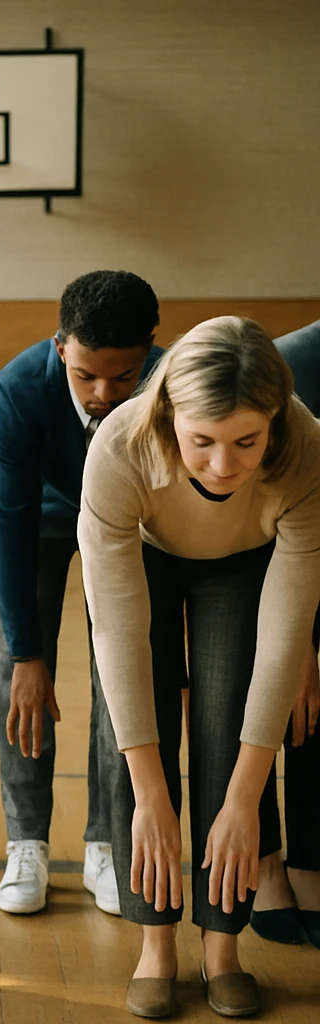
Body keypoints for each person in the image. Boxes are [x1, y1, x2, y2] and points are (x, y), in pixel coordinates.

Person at [78, 316, 320, 1018]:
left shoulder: (307, 449)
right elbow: (118, 633)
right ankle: (156, 946)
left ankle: (222, 950)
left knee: (227, 728)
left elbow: (283, 638)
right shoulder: (119, 450)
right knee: (135, 751)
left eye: (247, 441)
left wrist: (245, 797)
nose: (223, 464)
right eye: (203, 441)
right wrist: (151, 793)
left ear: (275, 423)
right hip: (146, 553)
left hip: (244, 559)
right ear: (169, 418)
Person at [0, 270, 162, 915]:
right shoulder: (17, 388)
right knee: (18, 676)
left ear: (150, 349)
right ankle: (25, 842)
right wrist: (28, 655)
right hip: (38, 522)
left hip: (125, 525)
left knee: (120, 677)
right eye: (87, 375)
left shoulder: (168, 383)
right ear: (62, 346)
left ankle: (106, 844)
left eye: (122, 377)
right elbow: (8, 522)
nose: (103, 394)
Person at [248, 320, 320, 949]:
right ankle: (268, 864)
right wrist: (300, 652)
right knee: (277, 701)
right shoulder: (292, 363)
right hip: (270, 552)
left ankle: (311, 864)